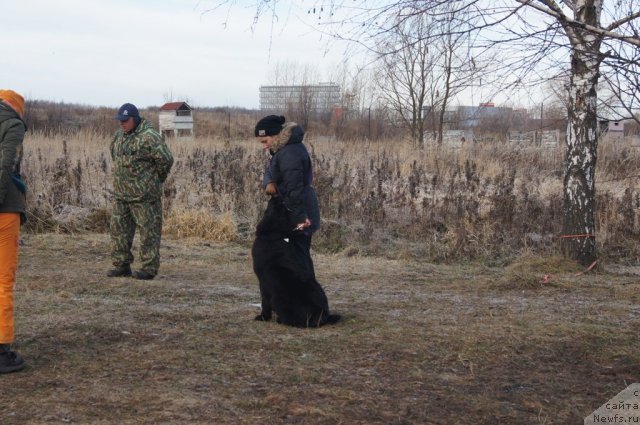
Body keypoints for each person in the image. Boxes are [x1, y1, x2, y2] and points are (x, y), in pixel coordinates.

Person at [107, 103, 174, 280]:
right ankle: (121, 265)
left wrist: (154, 180)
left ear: (135, 119)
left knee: (149, 233)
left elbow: (166, 160)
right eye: (120, 120)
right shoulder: (118, 136)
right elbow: (114, 155)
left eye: (126, 120)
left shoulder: (149, 136)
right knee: (119, 232)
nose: (122, 124)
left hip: (145, 197)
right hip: (121, 195)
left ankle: (148, 268)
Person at [254, 115, 320, 275]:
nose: (264, 146)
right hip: (293, 209)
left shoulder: (290, 153)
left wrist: (300, 219)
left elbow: (294, 190)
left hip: (298, 211)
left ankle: (307, 295)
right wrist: (268, 182)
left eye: (265, 141)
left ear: (276, 135)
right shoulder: (282, 150)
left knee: (299, 257)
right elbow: (272, 171)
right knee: (292, 256)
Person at [0, 89, 27, 373]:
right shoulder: (13, 125)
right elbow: (5, 166)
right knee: (3, 280)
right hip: (4, 210)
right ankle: (1, 350)